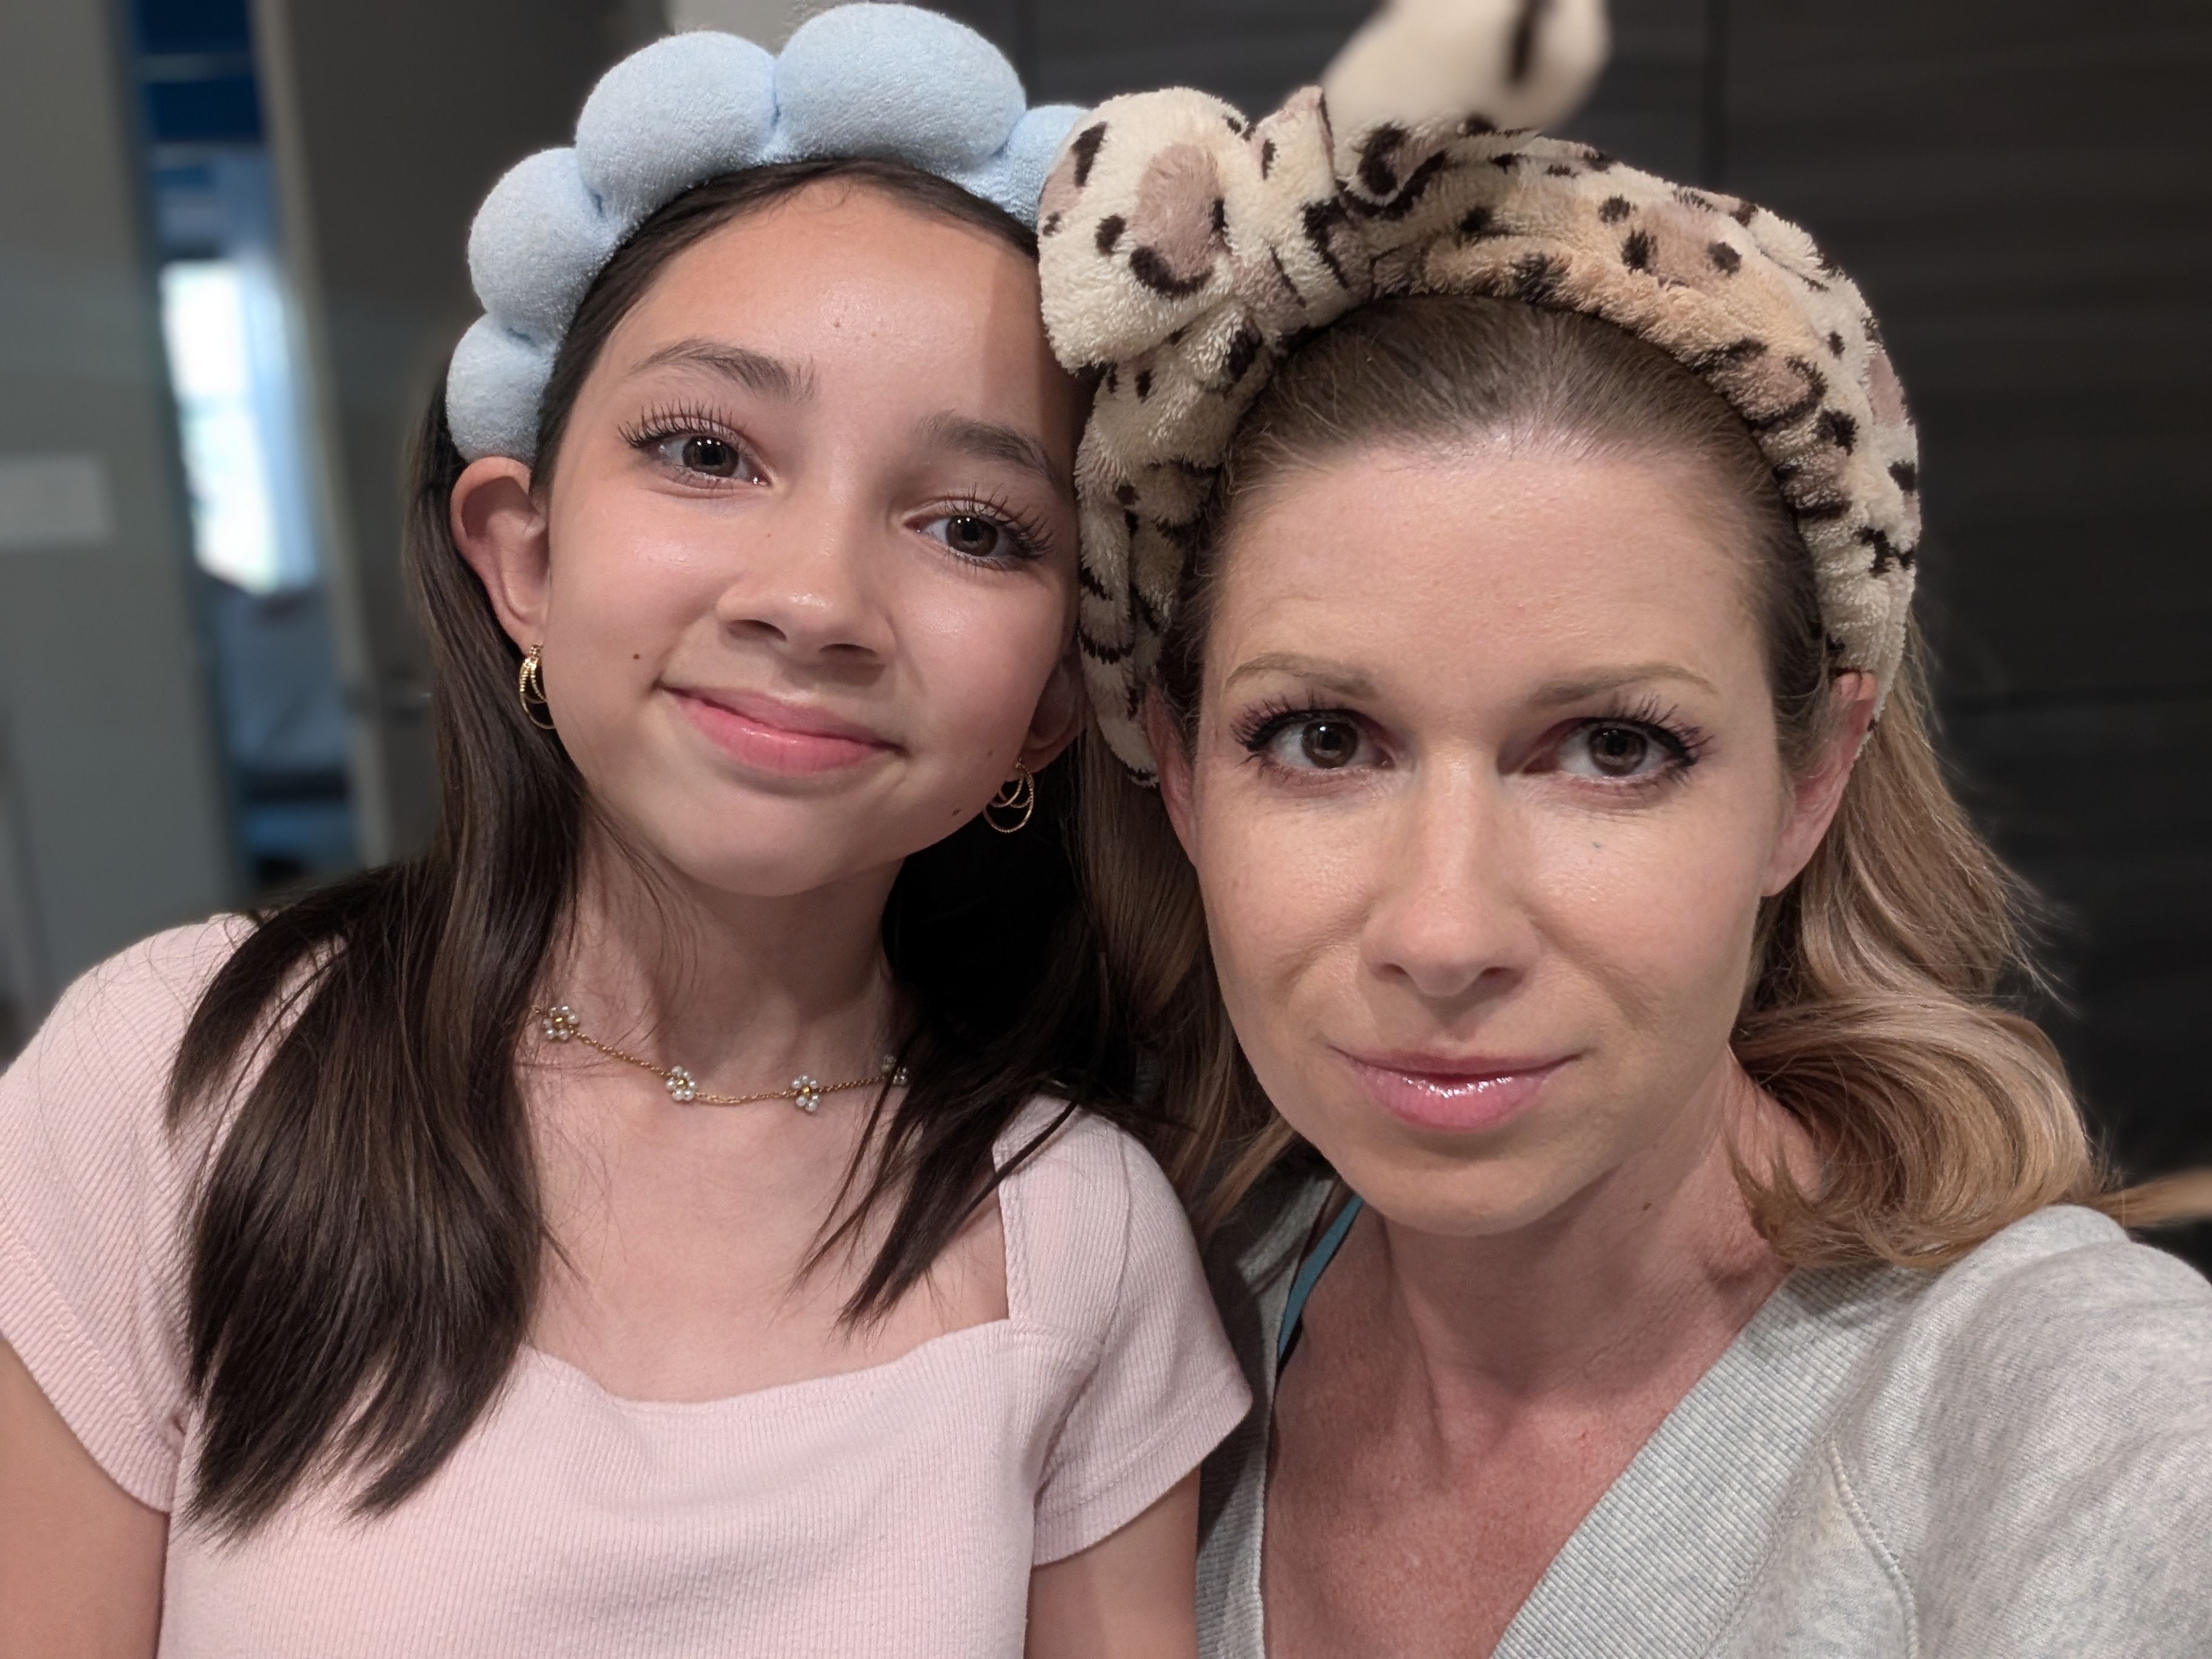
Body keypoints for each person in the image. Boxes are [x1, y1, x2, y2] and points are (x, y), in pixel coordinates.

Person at [0, 12, 1248, 1656]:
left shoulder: (1080, 1235)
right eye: (705, 451)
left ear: (1046, 706)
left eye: (971, 525)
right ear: (521, 553)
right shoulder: (179, 1081)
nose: (812, 601)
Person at [1034, 11, 2212, 1655]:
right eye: (1321, 739)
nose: (1446, 931)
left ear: (1813, 779)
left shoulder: (2103, 1436)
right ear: (1171, 757)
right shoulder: (1164, 1350)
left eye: (1610, 748)